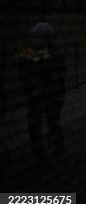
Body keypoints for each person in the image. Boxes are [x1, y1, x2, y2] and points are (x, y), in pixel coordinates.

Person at [16, 22, 66, 160]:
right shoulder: (33, 53)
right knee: (38, 124)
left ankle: (54, 148)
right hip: (38, 95)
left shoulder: (52, 53)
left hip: (48, 94)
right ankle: (42, 151)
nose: (36, 40)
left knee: (50, 122)